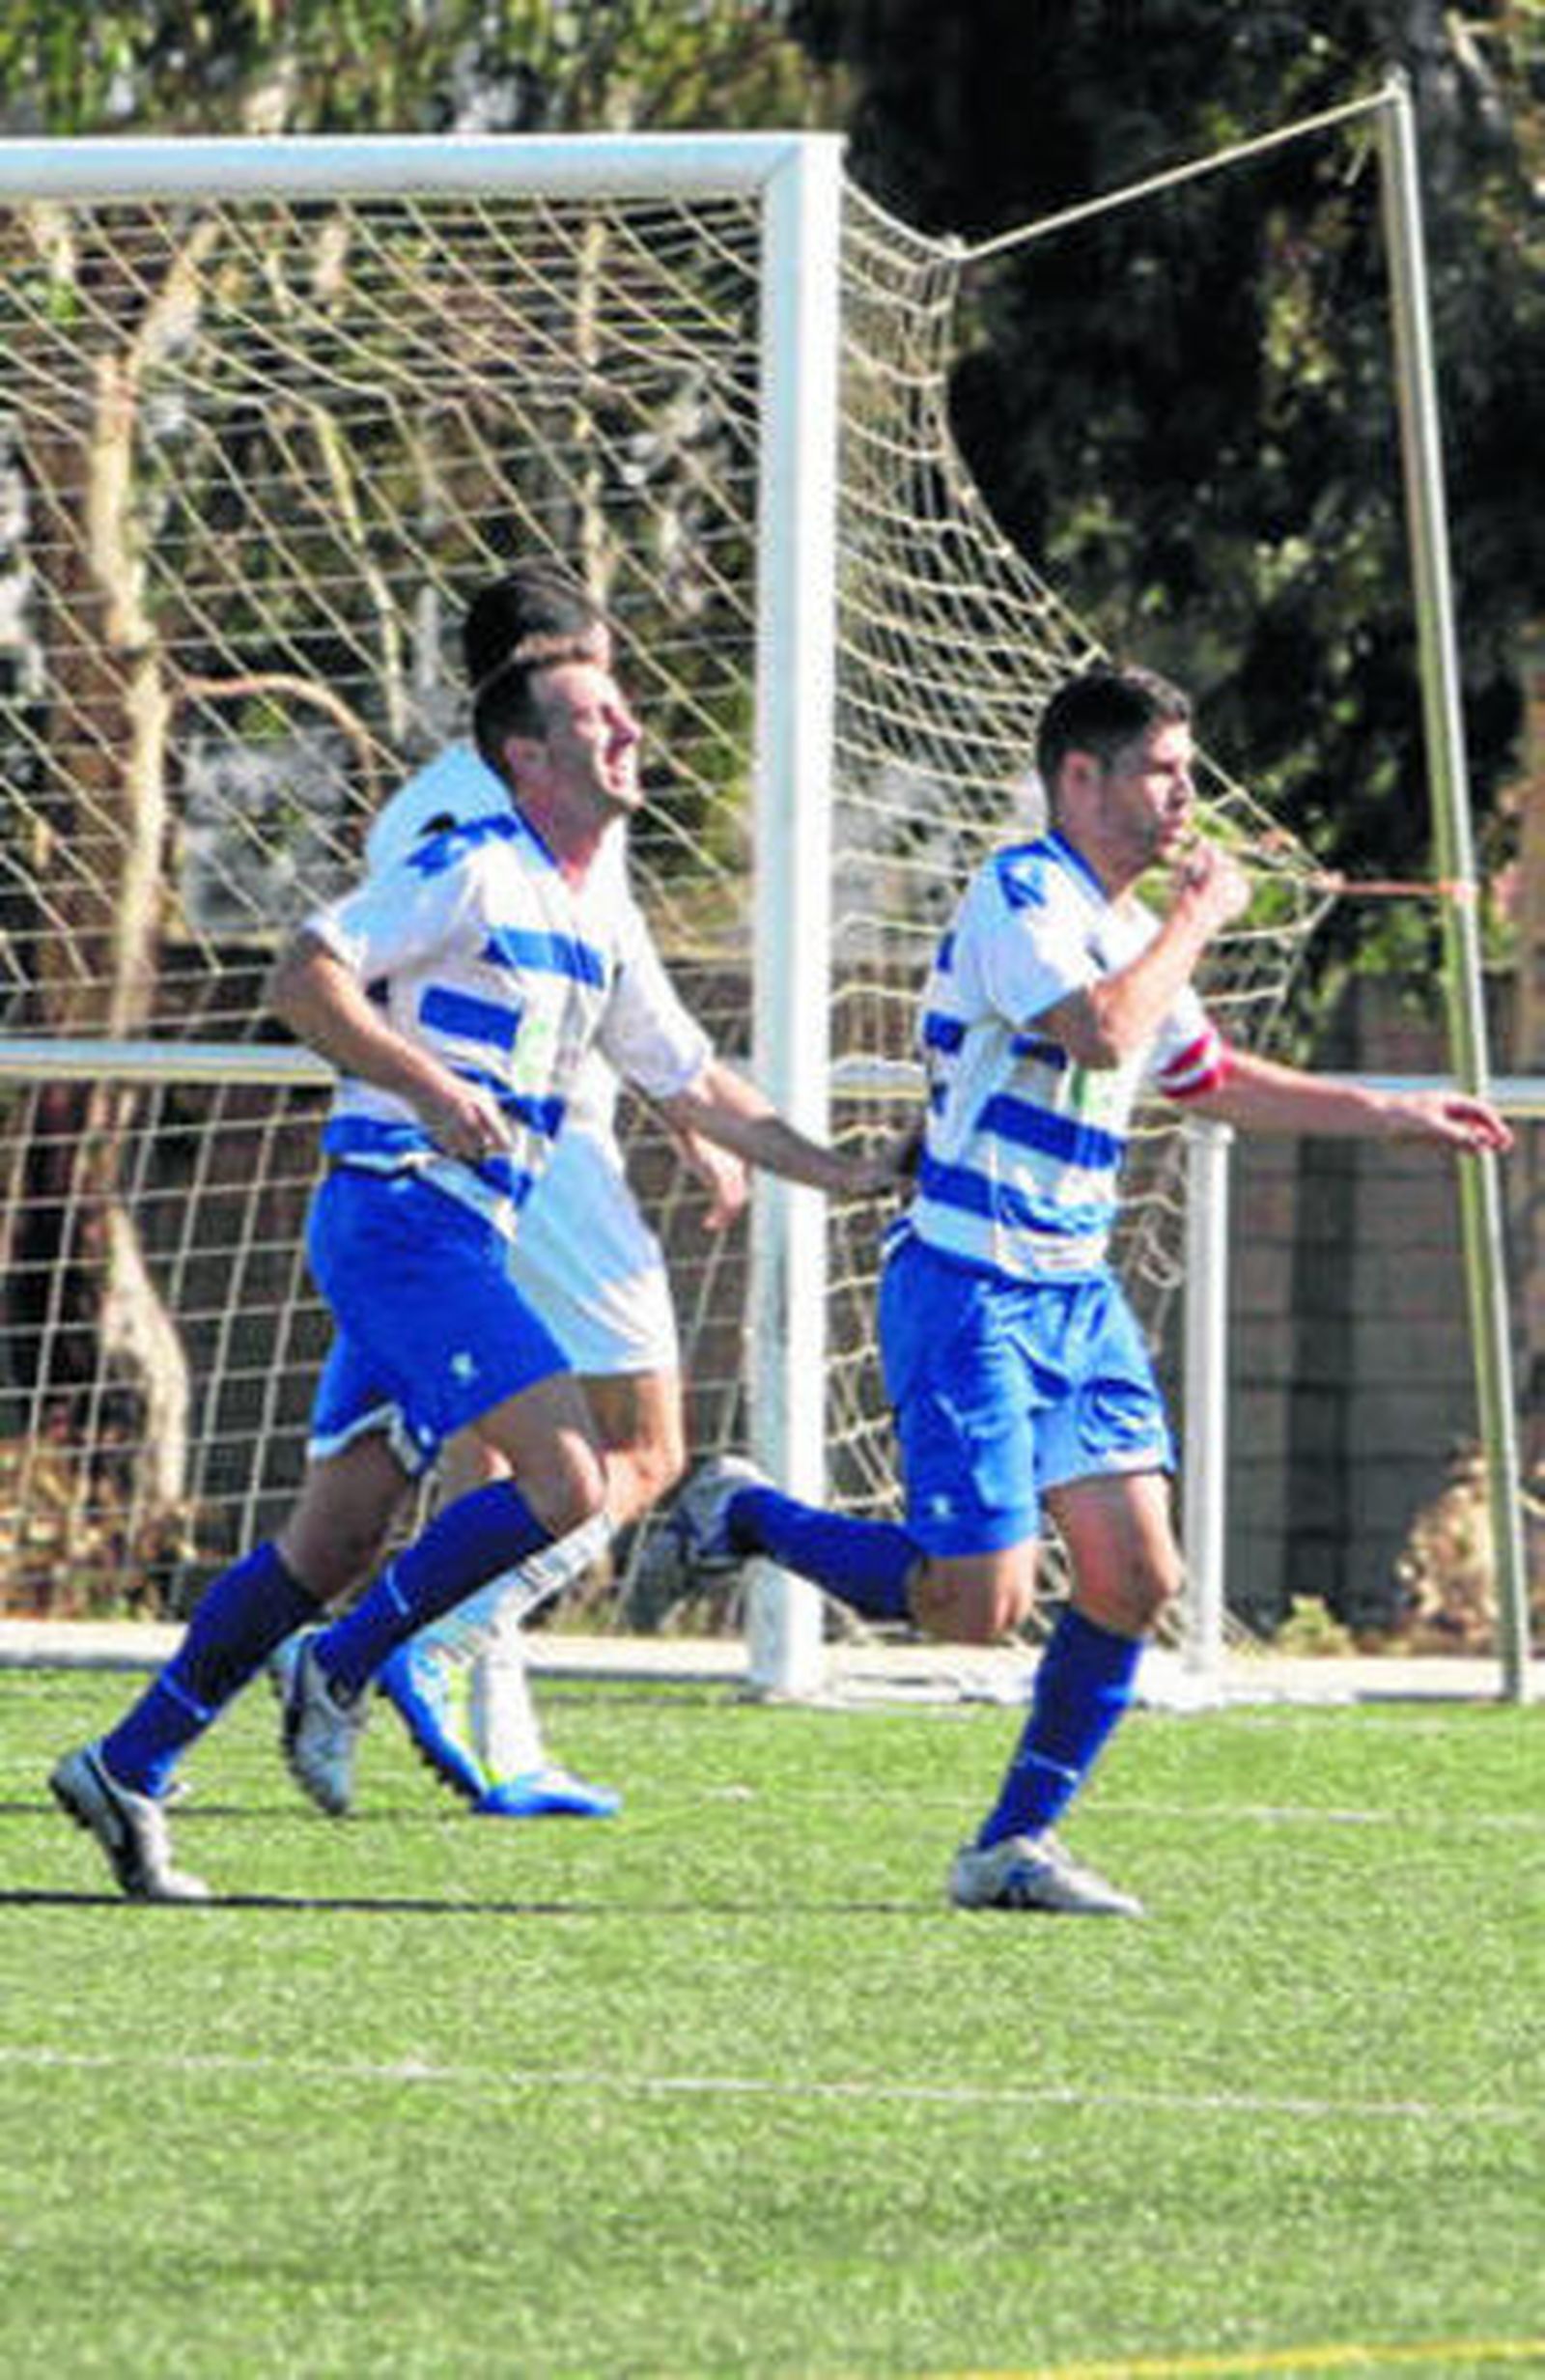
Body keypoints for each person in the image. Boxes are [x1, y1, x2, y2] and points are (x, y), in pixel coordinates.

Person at [50, 571, 904, 1901]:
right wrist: (430, 1086)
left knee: (333, 1541)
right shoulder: (465, 860)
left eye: (626, 712)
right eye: (598, 715)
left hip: (453, 1245)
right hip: (399, 1227)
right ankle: (350, 1666)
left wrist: (839, 1170)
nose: (629, 732)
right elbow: (303, 971)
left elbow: (693, 1081)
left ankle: (131, 1760)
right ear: (525, 753)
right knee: (573, 1478)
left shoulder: (595, 912)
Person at [673, 663, 1513, 1918]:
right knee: (976, 1606)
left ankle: (1012, 1844)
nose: (1186, 795)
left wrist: (1388, 1114)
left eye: (1185, 769)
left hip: (1073, 1293)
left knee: (1135, 1576)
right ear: (1079, 778)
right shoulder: (1023, 894)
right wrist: (1200, 920)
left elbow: (1202, 1074)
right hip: (966, 1285)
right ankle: (745, 1517)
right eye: (1161, 770)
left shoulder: (1122, 923)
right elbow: (1106, 1034)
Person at [295, 572, 749, 1822]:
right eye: (601, 685)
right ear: (548, 681)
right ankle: (419, 1642)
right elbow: (615, 1007)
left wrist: (693, 1115)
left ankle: (494, 1726)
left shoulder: (423, 804)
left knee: (474, 1458)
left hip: (433, 1171)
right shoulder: (515, 812)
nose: (623, 718)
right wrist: (694, 1113)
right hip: (540, 1162)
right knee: (637, 1448)